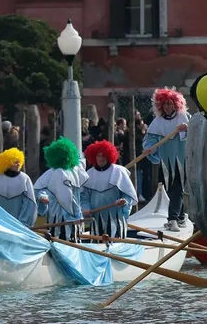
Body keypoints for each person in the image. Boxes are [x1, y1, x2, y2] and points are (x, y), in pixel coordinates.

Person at [143, 88, 190, 231]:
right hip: (166, 161)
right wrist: (149, 148)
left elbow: (195, 132)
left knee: (178, 187)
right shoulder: (157, 122)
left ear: (176, 104)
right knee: (172, 188)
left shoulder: (184, 117)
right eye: (165, 104)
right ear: (160, 106)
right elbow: (150, 139)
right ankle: (181, 217)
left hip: (182, 160)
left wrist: (186, 129)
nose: (167, 107)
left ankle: (172, 219)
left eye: (170, 104)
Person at [34, 137, 89, 242]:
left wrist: (78, 213)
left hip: (74, 220)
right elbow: (40, 190)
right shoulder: (50, 173)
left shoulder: (76, 173)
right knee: (56, 241)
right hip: (56, 218)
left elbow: (79, 196)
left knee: (74, 243)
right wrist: (42, 197)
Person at [81, 141, 138, 238]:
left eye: (104, 156)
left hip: (116, 217)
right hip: (96, 219)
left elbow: (128, 195)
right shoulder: (89, 174)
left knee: (117, 245)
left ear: (109, 156)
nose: (101, 159)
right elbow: (84, 197)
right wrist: (86, 208)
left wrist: (124, 202)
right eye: (98, 156)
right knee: (97, 246)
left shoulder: (119, 171)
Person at [0, 148, 38, 227]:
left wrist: (23, 223)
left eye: (19, 162)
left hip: (18, 224)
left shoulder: (24, 178)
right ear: (7, 163)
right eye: (15, 162)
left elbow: (30, 202)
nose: (18, 164)